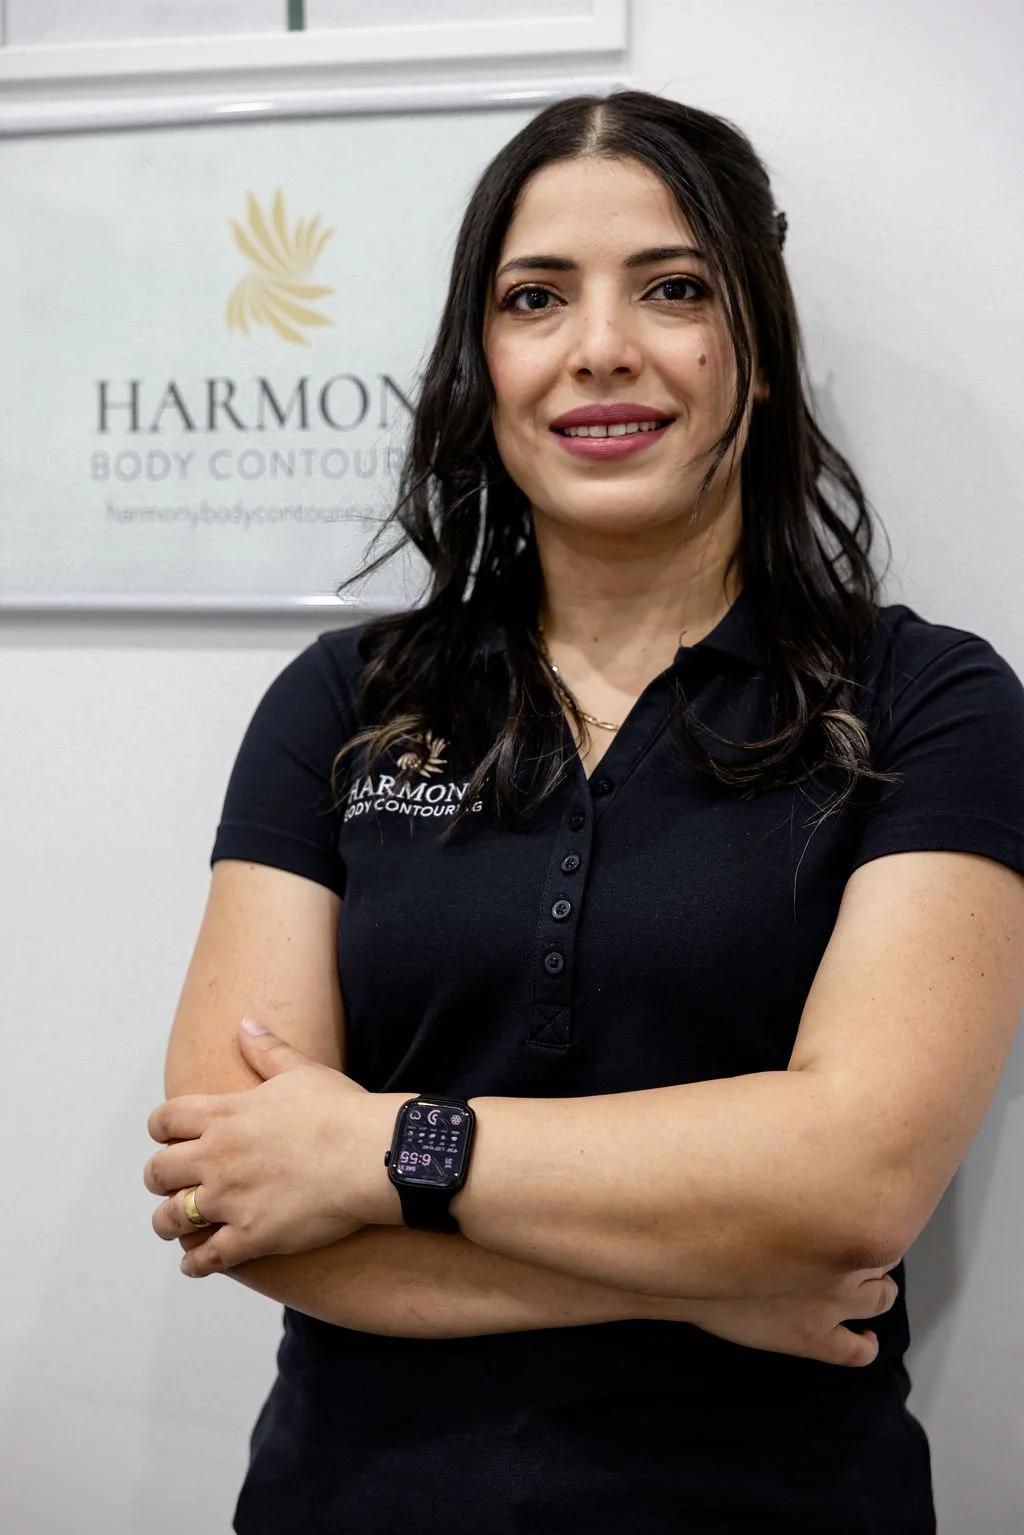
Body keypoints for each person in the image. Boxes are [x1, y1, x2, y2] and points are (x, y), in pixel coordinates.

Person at [144, 90, 1024, 1533]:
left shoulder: (929, 702)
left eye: (673, 287)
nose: (601, 346)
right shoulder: (338, 705)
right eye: (535, 296)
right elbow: (232, 1191)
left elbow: (855, 1177)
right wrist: (718, 1275)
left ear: (751, 344)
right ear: (480, 362)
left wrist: (376, 1148)